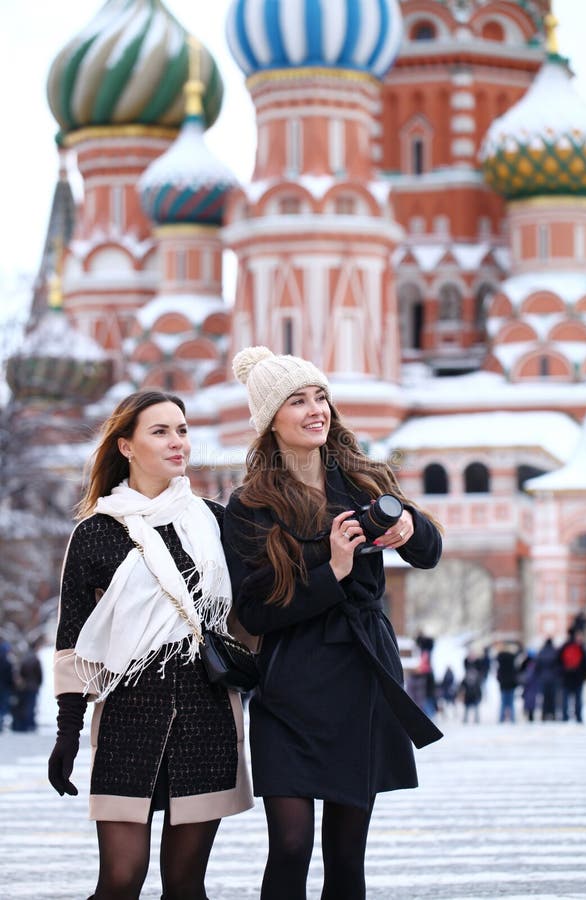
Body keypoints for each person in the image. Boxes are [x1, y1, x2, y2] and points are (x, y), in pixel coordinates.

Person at [223, 346, 443, 900]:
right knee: (290, 845)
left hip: (360, 674)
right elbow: (254, 611)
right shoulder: (250, 505)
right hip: (289, 682)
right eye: (297, 401)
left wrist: (409, 524)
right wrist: (334, 570)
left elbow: (429, 552)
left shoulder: (365, 478)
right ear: (270, 420)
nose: (315, 410)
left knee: (346, 855)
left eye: (320, 397)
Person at [47, 390, 252, 900]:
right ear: (126, 446)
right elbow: (72, 639)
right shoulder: (96, 532)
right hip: (128, 716)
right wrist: (68, 732)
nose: (177, 441)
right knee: (120, 881)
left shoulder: (213, 520)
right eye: (160, 432)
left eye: (182, 430)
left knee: (186, 886)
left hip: (206, 715)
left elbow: (252, 610)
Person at [11, 640, 43, 731]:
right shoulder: (35, 658)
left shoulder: (24, 658)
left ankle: (23, 725)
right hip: (32, 686)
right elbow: (39, 674)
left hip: (24, 686)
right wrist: (39, 684)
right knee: (30, 706)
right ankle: (30, 725)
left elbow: (19, 672)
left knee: (24, 706)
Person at [558, 628, 586, 722]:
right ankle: (578, 717)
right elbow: (585, 663)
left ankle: (565, 717)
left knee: (565, 699)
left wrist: (562, 672)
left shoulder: (564, 646)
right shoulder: (580, 646)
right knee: (578, 699)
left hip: (566, 677)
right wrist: (584, 675)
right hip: (578, 677)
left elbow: (558, 662)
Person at [534, 636, 559, 720]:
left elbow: (537, 666)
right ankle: (553, 714)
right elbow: (558, 666)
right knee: (552, 697)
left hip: (543, 678)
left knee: (544, 698)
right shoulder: (555, 652)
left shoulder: (541, 652)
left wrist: (539, 675)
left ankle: (544, 714)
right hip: (553, 678)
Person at [495, 641, 521, 723]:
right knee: (511, 703)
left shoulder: (500, 659)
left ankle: (502, 718)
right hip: (511, 684)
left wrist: (500, 680)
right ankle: (512, 719)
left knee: (503, 702)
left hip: (503, 684)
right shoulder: (512, 658)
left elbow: (498, 673)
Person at [0, 642, 14, 732]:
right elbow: (10, 677)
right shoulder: (7, 663)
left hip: (3, 687)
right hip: (5, 688)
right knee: (3, 707)